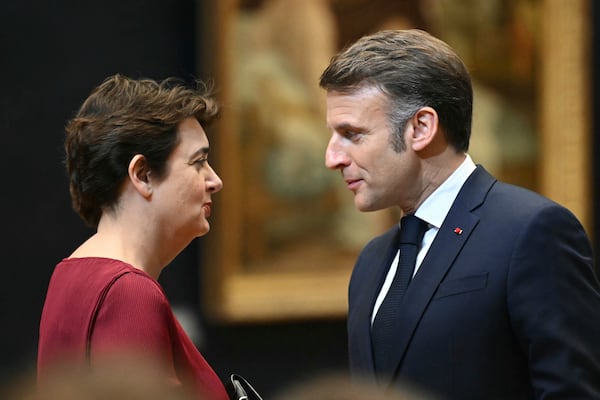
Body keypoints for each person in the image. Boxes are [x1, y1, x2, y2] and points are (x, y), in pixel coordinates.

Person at [319, 29, 600, 399]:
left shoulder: (532, 232)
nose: (331, 158)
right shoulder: (371, 261)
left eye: (351, 134)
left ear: (420, 128)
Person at [37, 74, 228, 400]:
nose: (215, 181)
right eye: (199, 162)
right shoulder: (128, 291)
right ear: (142, 175)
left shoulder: (69, 273)